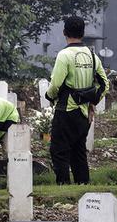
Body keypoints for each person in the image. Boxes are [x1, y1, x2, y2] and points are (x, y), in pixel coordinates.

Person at [44, 16, 108, 184]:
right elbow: (104, 84)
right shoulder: (93, 56)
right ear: (83, 33)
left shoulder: (64, 55)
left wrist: (49, 96)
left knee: (59, 151)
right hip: (84, 113)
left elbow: (56, 84)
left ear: (64, 32)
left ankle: (63, 185)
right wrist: (92, 103)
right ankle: (82, 185)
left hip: (65, 110)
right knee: (79, 151)